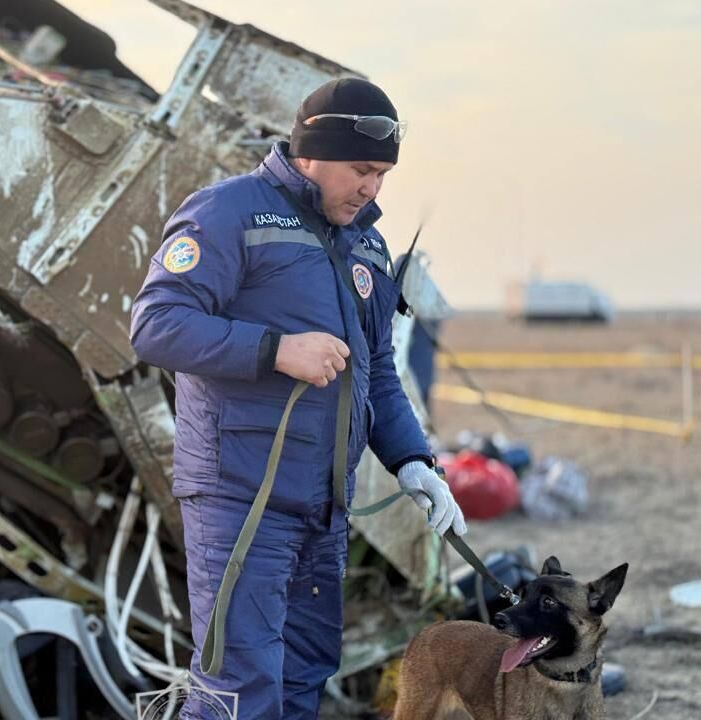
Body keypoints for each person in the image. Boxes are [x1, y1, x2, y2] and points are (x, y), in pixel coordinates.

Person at [129, 78, 468, 719]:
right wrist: (276, 350)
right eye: (361, 170)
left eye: (383, 175)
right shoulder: (228, 213)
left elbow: (378, 369)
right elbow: (156, 326)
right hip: (241, 502)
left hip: (324, 509)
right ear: (309, 152)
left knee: (302, 677)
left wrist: (413, 462)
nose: (372, 188)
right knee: (239, 688)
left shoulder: (366, 243)